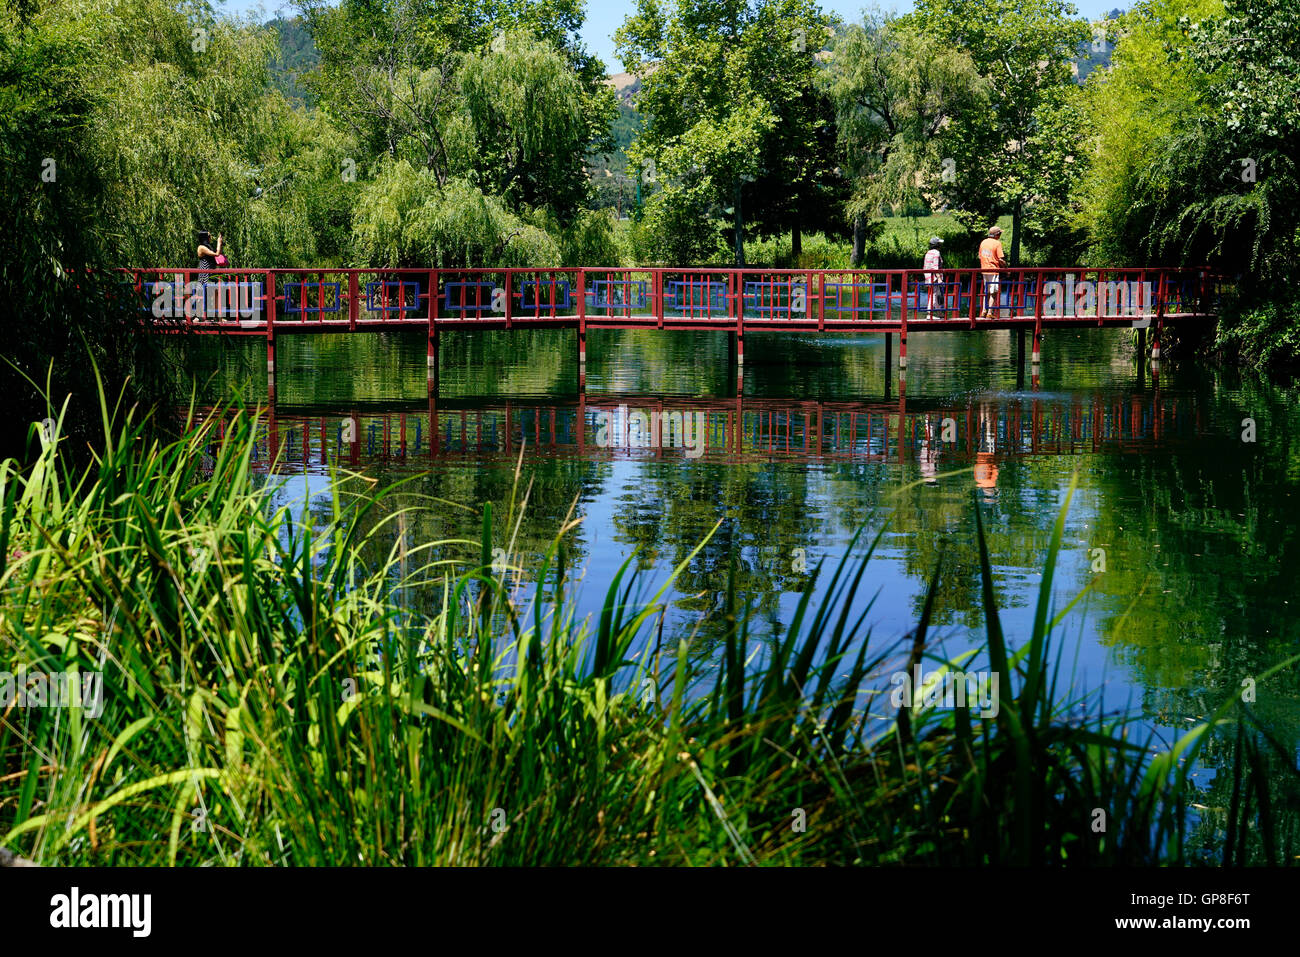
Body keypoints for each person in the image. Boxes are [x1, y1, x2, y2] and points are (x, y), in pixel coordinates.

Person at [978, 226, 1006, 319]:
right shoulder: (997, 243)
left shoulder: (983, 242)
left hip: (984, 270)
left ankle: (983, 311)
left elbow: (979, 256)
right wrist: (1006, 267)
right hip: (993, 270)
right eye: (1000, 234)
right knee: (993, 292)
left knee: (986, 291)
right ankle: (989, 312)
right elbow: (1000, 259)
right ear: (997, 235)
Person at [922, 236, 944, 319]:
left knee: (935, 294)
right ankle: (929, 314)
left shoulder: (928, 252)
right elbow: (935, 267)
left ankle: (939, 313)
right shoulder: (936, 253)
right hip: (934, 277)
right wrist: (939, 278)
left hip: (928, 276)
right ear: (937, 244)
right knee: (935, 295)